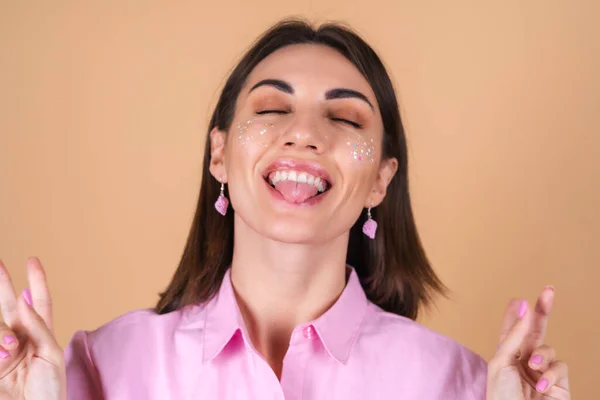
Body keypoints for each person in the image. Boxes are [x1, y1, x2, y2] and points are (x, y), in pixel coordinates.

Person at [0, 19, 570, 400]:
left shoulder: (462, 385)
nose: (304, 134)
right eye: (272, 108)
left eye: (345, 119)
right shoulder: (99, 368)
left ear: (380, 181)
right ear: (219, 154)